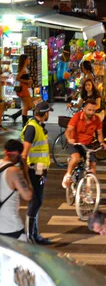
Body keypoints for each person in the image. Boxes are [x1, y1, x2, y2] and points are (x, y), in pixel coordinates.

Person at [20, 101, 53, 244]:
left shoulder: (37, 126)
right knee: (35, 202)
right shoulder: (32, 128)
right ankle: (30, 236)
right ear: (45, 113)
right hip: (34, 171)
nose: (48, 115)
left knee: (36, 202)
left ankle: (34, 234)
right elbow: (24, 154)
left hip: (40, 170)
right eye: (48, 112)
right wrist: (26, 176)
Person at [61, 100, 106, 188]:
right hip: (75, 143)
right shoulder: (77, 116)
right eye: (89, 110)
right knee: (76, 158)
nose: (92, 112)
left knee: (92, 167)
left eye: (94, 110)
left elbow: (100, 134)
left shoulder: (97, 119)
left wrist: (102, 142)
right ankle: (68, 175)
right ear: (84, 109)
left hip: (88, 144)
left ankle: (88, 192)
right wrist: (69, 139)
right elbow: (68, 131)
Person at [0, 139, 32, 241]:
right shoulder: (14, 172)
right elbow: (28, 196)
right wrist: (25, 171)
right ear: (19, 155)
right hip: (11, 228)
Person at [16, 54, 33, 125]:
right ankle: (24, 121)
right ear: (25, 60)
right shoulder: (23, 69)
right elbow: (17, 78)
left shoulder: (25, 68)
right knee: (27, 106)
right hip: (23, 89)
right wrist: (26, 81)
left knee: (28, 105)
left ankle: (23, 119)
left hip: (26, 88)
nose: (29, 60)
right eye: (28, 59)